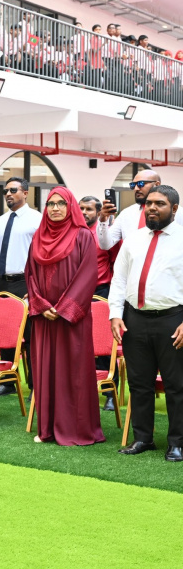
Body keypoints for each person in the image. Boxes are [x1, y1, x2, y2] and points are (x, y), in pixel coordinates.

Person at [110, 186, 183, 462]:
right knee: (139, 383)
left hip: (173, 320)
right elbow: (119, 279)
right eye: (149, 203)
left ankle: (177, 443)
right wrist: (115, 314)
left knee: (176, 385)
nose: (151, 208)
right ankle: (143, 438)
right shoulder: (134, 239)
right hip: (135, 320)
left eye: (159, 204)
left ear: (174, 209)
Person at [27, 187, 104, 446]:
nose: (56, 208)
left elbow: (88, 275)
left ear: (70, 207)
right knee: (46, 370)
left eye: (61, 203)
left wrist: (63, 309)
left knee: (73, 372)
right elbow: (30, 274)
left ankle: (75, 429)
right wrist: (41, 305)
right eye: (51, 204)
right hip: (44, 318)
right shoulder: (38, 236)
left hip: (72, 318)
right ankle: (48, 428)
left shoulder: (82, 235)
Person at [0, 177, 41, 397]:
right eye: (6, 191)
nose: (8, 194)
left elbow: (42, 255)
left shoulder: (37, 220)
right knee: (5, 334)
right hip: (0, 282)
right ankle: (8, 382)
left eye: (13, 190)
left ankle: (36, 385)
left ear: (25, 193)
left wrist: (36, 286)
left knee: (31, 336)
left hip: (25, 282)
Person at [81, 195, 117, 411]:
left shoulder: (106, 234)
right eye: (81, 208)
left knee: (103, 343)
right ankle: (83, 391)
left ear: (97, 212)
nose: (84, 212)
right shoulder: (73, 233)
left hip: (101, 291)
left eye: (88, 209)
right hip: (78, 293)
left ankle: (110, 393)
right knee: (82, 341)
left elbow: (115, 260)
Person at [97, 169, 183, 250]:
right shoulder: (126, 214)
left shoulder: (177, 212)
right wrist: (103, 220)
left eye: (141, 184)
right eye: (133, 185)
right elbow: (105, 245)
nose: (136, 189)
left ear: (157, 184)